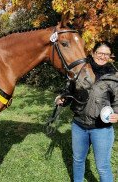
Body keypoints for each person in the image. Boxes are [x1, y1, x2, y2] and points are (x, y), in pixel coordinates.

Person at [55, 41, 118, 182]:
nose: (103, 57)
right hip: (79, 125)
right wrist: (62, 99)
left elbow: (117, 100)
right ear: (93, 53)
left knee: (103, 167)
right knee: (78, 161)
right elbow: (70, 90)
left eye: (106, 54)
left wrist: (117, 114)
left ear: (110, 57)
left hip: (101, 129)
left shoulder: (114, 76)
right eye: (100, 53)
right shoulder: (81, 69)